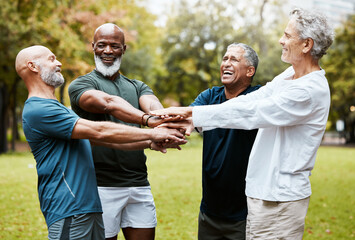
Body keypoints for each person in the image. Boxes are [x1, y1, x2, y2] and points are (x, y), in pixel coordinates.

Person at [151, 8, 334, 240]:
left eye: (287, 35)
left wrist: (194, 115)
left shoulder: (308, 90)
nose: (281, 40)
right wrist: (192, 115)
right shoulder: (289, 76)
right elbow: (255, 99)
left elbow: (253, 112)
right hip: (262, 196)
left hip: (279, 200)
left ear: (307, 44)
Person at [15, 45, 185, 240]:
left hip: (87, 209)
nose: (59, 62)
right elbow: (100, 131)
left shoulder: (59, 109)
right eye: (51, 59)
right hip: (69, 210)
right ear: (32, 66)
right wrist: (152, 131)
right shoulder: (39, 109)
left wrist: (149, 142)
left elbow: (98, 141)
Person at [68, 23, 176, 240]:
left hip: (138, 184)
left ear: (124, 49)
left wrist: (166, 119)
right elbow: (108, 103)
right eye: (102, 45)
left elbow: (154, 107)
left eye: (114, 46)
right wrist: (149, 121)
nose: (108, 51)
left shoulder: (137, 86)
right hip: (100, 186)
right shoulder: (81, 85)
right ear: (93, 47)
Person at [190, 43, 260, 240]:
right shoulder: (210, 96)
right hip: (209, 213)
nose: (226, 63)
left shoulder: (257, 98)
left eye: (234, 59)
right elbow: (187, 119)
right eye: (225, 59)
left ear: (250, 71)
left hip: (244, 214)